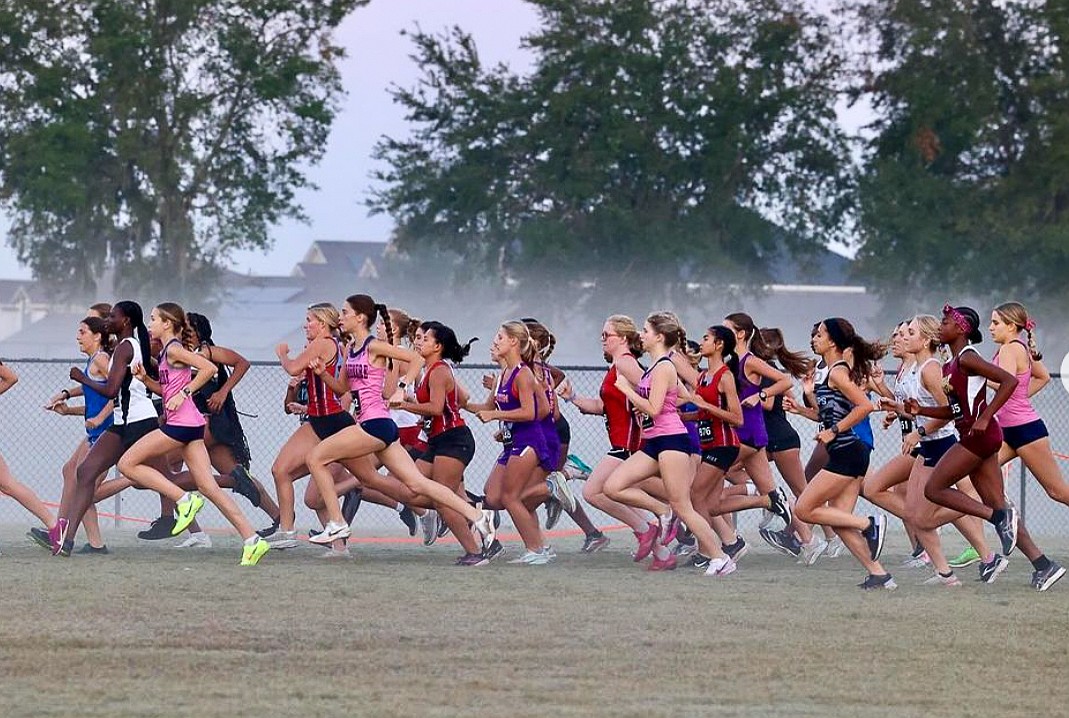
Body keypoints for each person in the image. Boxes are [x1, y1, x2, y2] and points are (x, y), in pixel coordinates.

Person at [906, 304, 1064, 592]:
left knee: (934, 489)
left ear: (962, 328)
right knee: (998, 501)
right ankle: (1044, 565)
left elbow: (1009, 381)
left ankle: (998, 518)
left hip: (979, 438)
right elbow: (955, 412)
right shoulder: (950, 365)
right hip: (977, 435)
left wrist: (987, 416)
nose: (940, 327)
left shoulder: (968, 357)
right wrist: (922, 411)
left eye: (945, 323)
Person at [119, 302, 270, 565]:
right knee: (209, 487)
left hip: (182, 425)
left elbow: (209, 369)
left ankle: (183, 500)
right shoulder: (169, 352)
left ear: (167, 324)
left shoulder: (175, 349)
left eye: (154, 319)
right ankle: (252, 539)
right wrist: (146, 381)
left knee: (127, 463)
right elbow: (167, 391)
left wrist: (184, 393)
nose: (150, 324)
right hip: (191, 426)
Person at [605, 312, 735, 576]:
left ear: (659, 337)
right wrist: (666, 404)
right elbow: (684, 395)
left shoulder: (664, 366)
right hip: (654, 441)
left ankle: (721, 557)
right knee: (613, 486)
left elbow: (653, 409)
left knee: (683, 505)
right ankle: (661, 510)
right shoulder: (657, 367)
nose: (641, 335)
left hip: (672, 441)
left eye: (645, 330)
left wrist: (629, 392)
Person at [793, 318, 894, 590]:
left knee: (803, 508)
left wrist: (834, 431)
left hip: (848, 451)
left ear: (833, 342)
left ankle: (869, 523)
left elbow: (864, 407)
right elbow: (827, 414)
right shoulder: (827, 373)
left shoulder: (838, 372)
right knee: (839, 520)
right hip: (847, 450)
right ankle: (879, 575)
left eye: (820, 334)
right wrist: (801, 408)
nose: (814, 338)